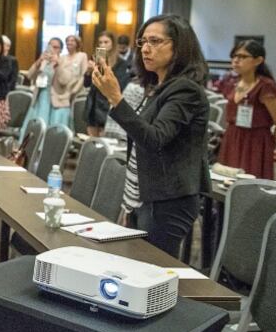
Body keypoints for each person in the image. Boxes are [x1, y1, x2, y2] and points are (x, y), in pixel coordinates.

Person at [93, 14, 211, 257]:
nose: (146, 49)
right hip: (146, 194)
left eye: (155, 41)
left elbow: (155, 139)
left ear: (179, 46)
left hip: (168, 198)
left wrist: (115, 98)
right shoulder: (159, 87)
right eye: (143, 41)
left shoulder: (186, 90)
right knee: (136, 265)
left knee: (153, 271)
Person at [218, 40, 276, 179]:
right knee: (225, 181)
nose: (236, 60)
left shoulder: (266, 86)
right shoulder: (233, 82)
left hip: (255, 142)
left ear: (258, 60)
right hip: (232, 138)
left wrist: (268, 146)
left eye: (243, 57)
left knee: (248, 184)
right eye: (234, 56)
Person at [84, 31, 131, 137]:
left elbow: (119, 86)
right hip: (93, 105)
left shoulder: (121, 63)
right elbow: (86, 84)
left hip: (107, 105)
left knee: (105, 140)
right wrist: (88, 72)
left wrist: (102, 72)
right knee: (91, 140)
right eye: (100, 42)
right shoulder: (95, 60)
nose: (103, 45)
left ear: (113, 44)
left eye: (106, 42)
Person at [20, 37, 63, 137]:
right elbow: (29, 75)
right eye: (50, 46)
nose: (52, 49)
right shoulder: (43, 61)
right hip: (39, 95)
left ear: (60, 50)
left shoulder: (62, 62)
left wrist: (57, 64)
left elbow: (63, 81)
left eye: (56, 47)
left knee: (46, 124)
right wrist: (39, 61)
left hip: (53, 98)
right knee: (33, 123)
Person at [51, 34, 89, 129]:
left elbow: (83, 75)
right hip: (62, 91)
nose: (69, 42)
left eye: (72, 40)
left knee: (74, 116)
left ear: (77, 43)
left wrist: (74, 91)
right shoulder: (62, 57)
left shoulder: (82, 56)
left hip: (76, 90)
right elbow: (58, 74)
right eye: (67, 41)